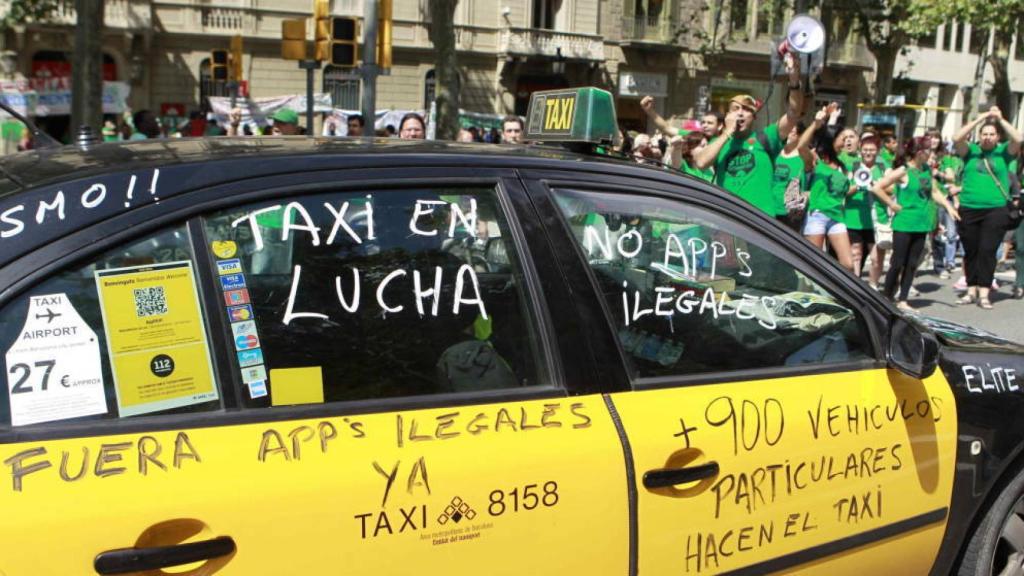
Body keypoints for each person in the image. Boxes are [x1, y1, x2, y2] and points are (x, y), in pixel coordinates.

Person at [690, 53, 804, 215]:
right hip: (730, 220)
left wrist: (793, 79)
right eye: (735, 109)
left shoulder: (766, 137)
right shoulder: (719, 142)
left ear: (754, 117)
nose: (741, 114)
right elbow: (701, 162)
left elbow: (794, 112)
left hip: (761, 220)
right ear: (727, 116)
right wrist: (727, 133)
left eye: (747, 110)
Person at [873, 137, 960, 310]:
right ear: (919, 152)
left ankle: (903, 300)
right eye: (928, 150)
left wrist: (948, 206)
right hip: (904, 224)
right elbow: (877, 187)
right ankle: (886, 298)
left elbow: (934, 191)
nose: (931, 154)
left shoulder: (927, 170)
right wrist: (891, 204)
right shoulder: (903, 171)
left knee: (912, 264)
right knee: (897, 263)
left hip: (922, 223)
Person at [952, 106, 1023, 309]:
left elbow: (1018, 139)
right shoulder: (971, 152)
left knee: (987, 250)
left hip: (995, 209)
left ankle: (984, 292)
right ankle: (970, 289)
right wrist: (981, 117)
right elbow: (957, 138)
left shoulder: (1003, 153)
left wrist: (1000, 119)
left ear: (997, 137)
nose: (988, 137)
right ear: (980, 135)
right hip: (969, 207)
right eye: (985, 134)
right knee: (971, 250)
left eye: (992, 134)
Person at [805, 119, 857, 271]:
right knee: (812, 265)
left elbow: (842, 191)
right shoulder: (816, 160)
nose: (846, 141)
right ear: (832, 140)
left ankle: (836, 292)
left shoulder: (844, 164)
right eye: (843, 137)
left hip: (837, 216)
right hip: (817, 215)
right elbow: (801, 146)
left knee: (848, 265)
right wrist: (816, 123)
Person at [845, 134, 888, 278]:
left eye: (872, 150)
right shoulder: (854, 166)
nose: (868, 153)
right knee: (855, 254)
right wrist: (858, 185)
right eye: (865, 149)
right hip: (854, 217)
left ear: (877, 151)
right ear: (860, 150)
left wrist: (876, 185)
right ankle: (855, 286)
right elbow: (845, 191)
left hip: (876, 218)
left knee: (876, 258)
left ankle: (873, 286)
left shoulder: (883, 166)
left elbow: (892, 188)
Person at [640, 97, 724, 142]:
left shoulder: (726, 141)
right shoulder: (694, 135)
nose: (705, 125)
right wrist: (649, 111)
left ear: (720, 126)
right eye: (703, 122)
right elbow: (667, 128)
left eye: (710, 123)